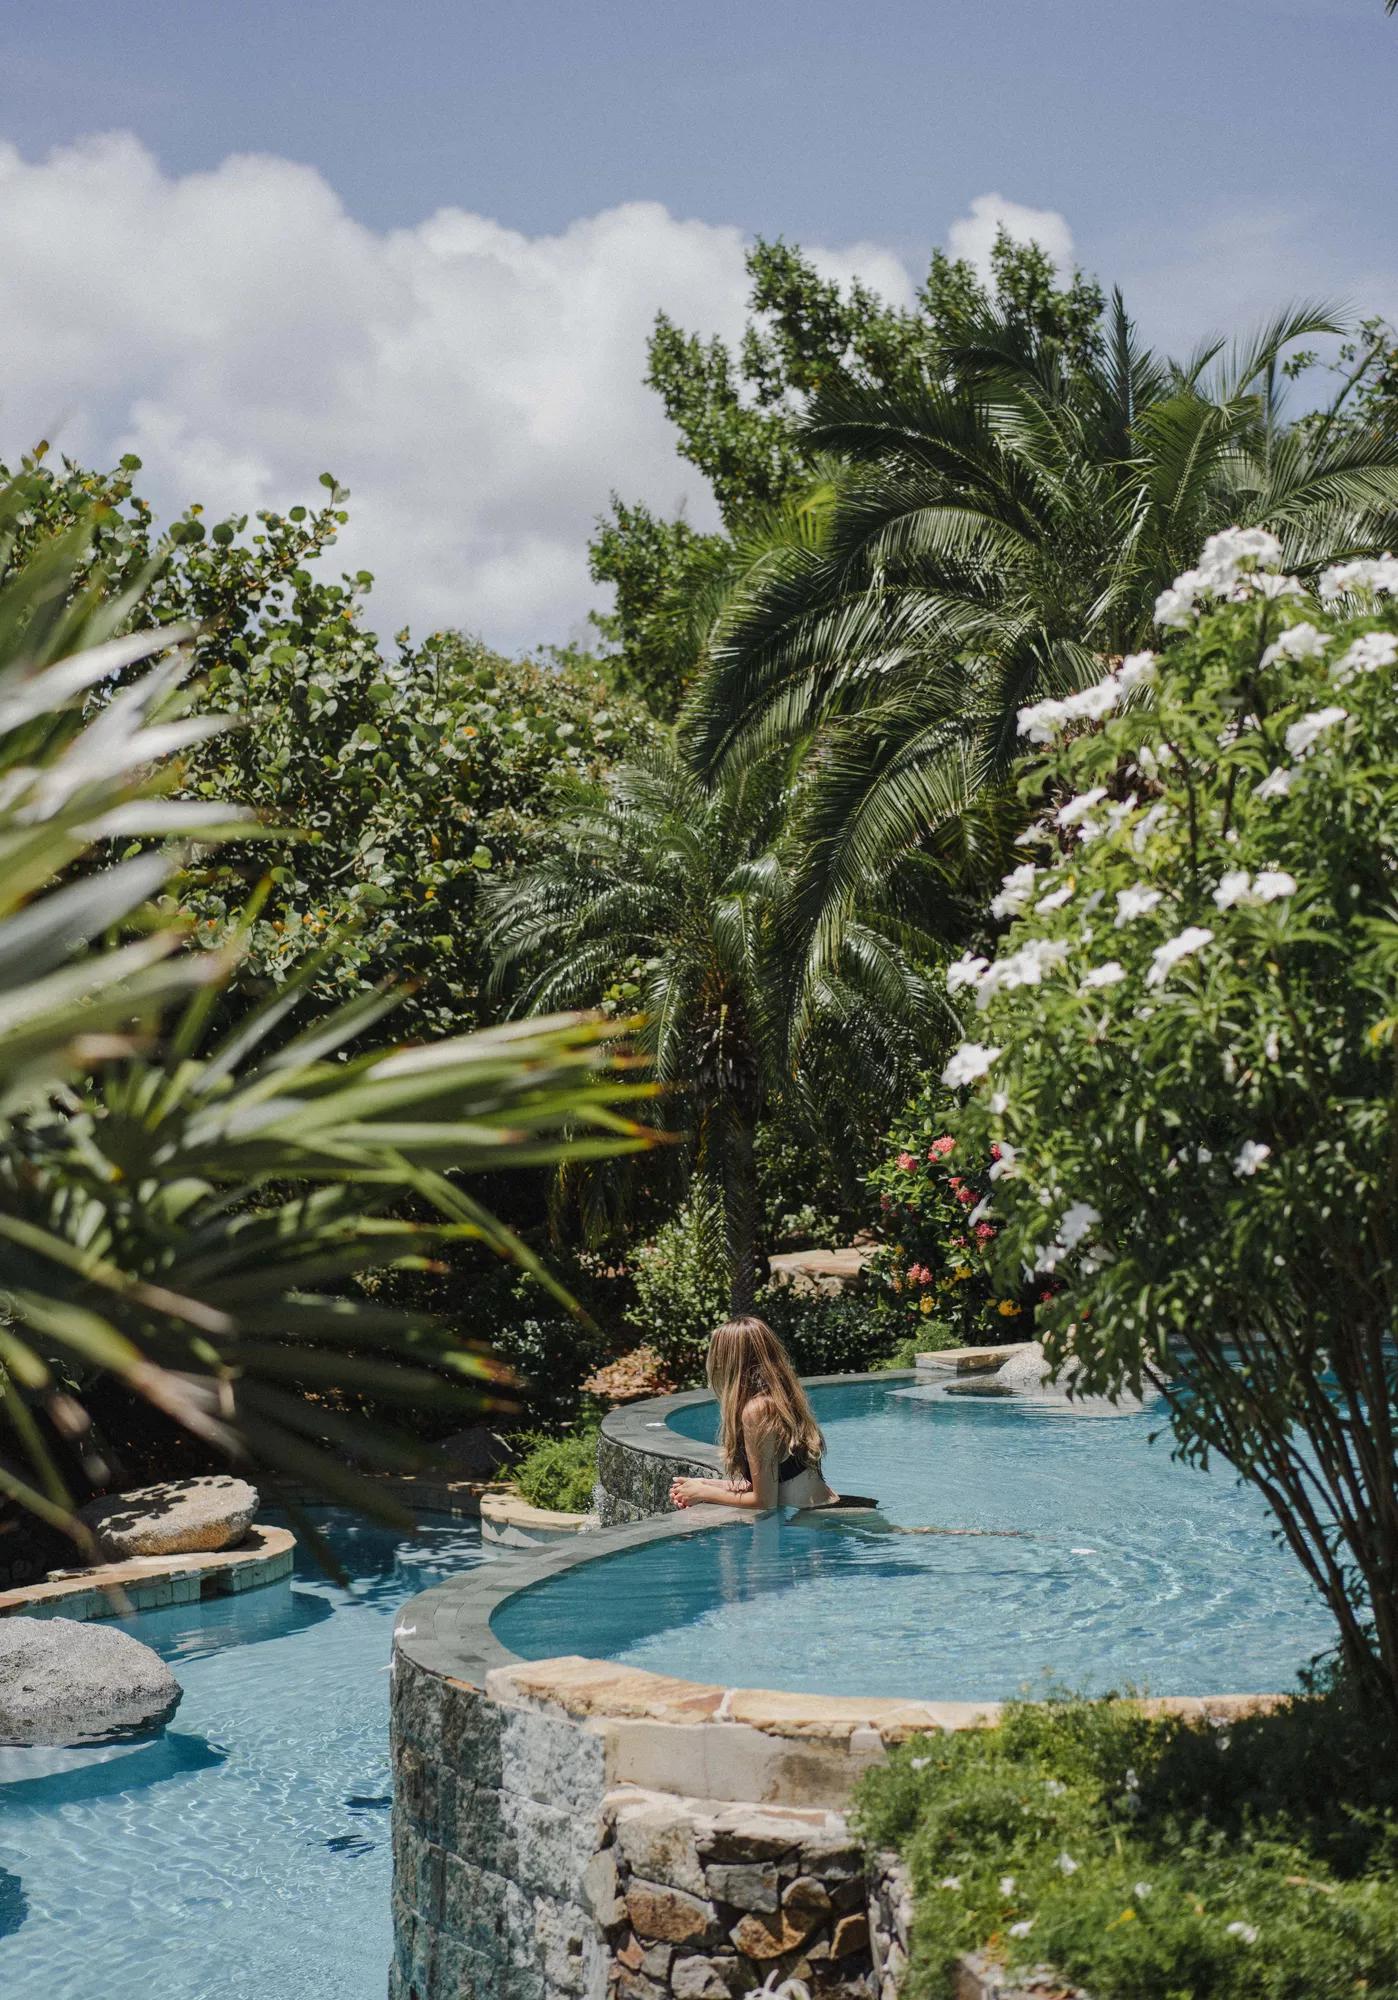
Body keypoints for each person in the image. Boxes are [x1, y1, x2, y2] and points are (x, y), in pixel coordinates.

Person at [669, 1315, 844, 1513]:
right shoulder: (777, 1399)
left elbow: (764, 1502)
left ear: (728, 1360)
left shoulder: (758, 1410)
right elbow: (772, 1485)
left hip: (822, 1520)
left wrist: (703, 1493)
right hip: (828, 1510)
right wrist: (703, 1484)